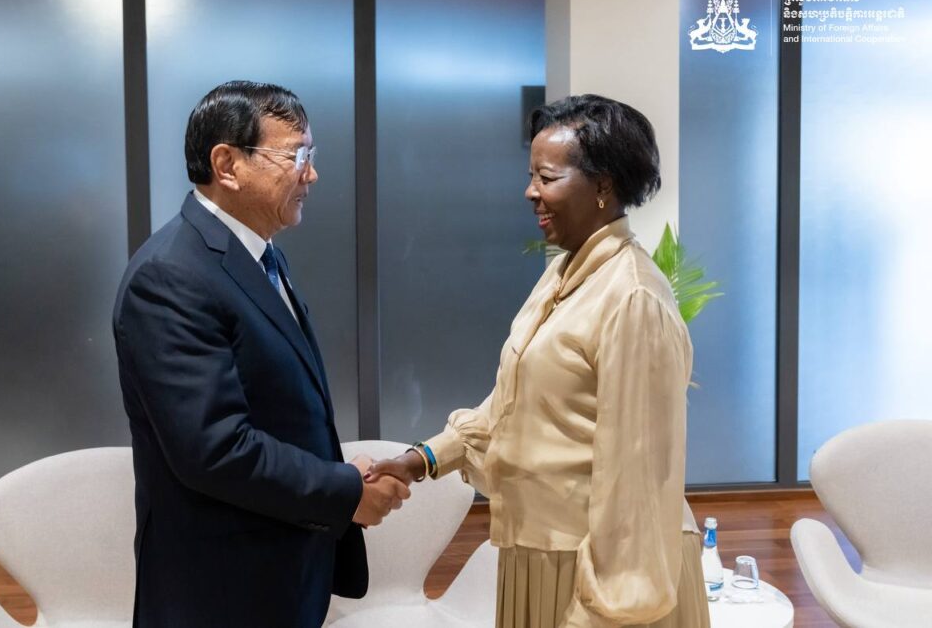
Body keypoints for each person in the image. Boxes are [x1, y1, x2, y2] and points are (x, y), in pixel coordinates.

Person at [368, 95, 710, 627]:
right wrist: (423, 459)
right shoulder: (562, 273)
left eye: (546, 178)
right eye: (531, 176)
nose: (531, 192)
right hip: (541, 552)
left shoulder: (633, 297)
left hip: (602, 570)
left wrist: (602, 611)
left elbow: (638, 480)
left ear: (603, 185)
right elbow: (513, 404)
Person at [113, 81, 409, 628]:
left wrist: (337, 475)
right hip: (222, 584)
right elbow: (215, 449)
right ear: (227, 165)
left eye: (311, 155)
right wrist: (343, 490)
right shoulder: (171, 276)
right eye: (295, 156)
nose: (311, 174)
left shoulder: (259, 254)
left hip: (281, 561)